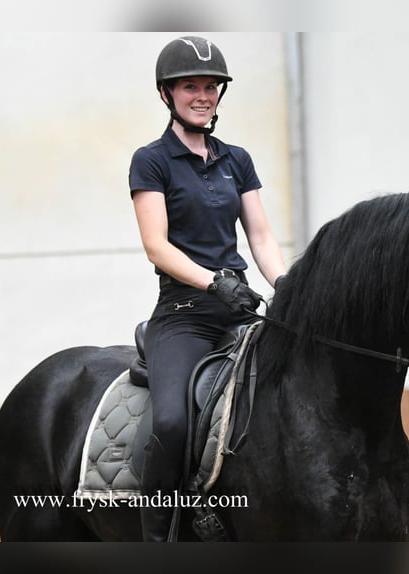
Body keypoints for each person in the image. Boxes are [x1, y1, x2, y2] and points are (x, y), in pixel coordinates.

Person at [128, 36, 287, 541]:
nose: (203, 95)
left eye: (211, 87)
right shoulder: (151, 160)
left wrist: (284, 287)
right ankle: (159, 542)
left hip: (239, 308)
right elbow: (157, 247)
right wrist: (214, 282)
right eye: (190, 86)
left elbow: (259, 235)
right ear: (166, 94)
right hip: (185, 314)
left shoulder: (236, 159)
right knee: (172, 423)